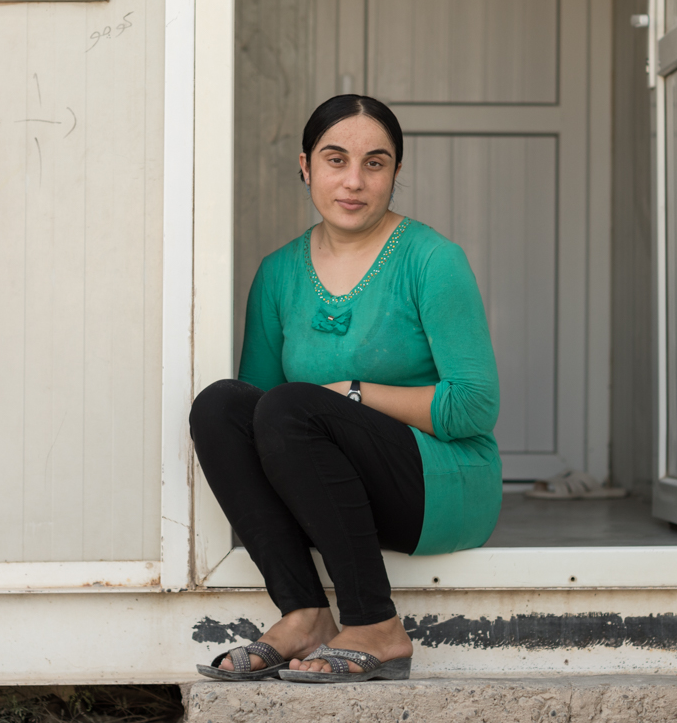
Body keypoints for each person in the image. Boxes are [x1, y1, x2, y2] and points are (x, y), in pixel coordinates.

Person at [189, 94, 502, 683]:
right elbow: (258, 420)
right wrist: (321, 405)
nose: (354, 181)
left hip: (440, 487)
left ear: (396, 173)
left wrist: (354, 391)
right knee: (221, 405)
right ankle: (304, 614)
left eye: (375, 163)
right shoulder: (279, 272)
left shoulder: (433, 260)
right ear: (306, 166)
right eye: (336, 160)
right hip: (334, 493)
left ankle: (377, 627)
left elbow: (475, 406)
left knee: (290, 406)